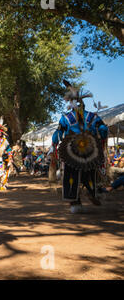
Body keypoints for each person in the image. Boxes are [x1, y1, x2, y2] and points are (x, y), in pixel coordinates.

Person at [50, 80, 108, 214]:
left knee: (74, 174)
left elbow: (58, 132)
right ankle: (92, 193)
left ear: (72, 104)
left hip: (74, 150)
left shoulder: (66, 117)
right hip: (88, 150)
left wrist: (54, 144)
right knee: (89, 172)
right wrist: (102, 136)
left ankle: (75, 201)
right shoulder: (93, 116)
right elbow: (103, 128)